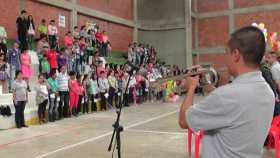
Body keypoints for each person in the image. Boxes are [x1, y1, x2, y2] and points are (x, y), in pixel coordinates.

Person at [178, 26, 275, 158]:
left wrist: (191, 88)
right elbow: (233, 106)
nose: (225, 58)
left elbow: (184, 121)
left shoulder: (227, 96)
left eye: (226, 52)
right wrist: (207, 85)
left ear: (235, 55)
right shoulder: (267, 92)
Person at [265, 51, 280, 116]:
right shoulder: (278, 65)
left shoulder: (273, 68)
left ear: (274, 58)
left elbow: (277, 82)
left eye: (269, 58)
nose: (267, 60)